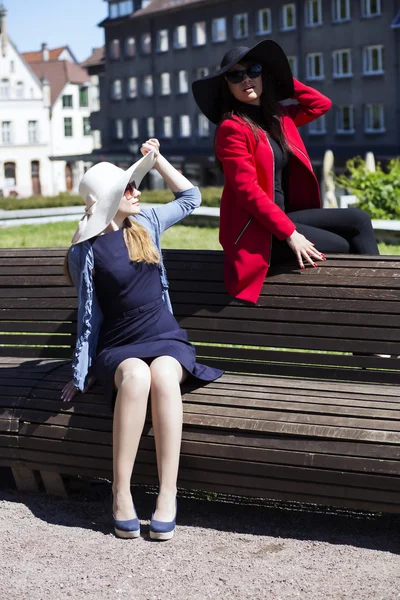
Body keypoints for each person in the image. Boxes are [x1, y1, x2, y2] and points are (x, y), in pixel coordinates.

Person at [61, 139, 223, 540]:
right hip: (119, 347)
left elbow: (190, 198)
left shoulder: (147, 222)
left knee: (165, 376)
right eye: (128, 188)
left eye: (134, 185)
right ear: (108, 200)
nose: (136, 191)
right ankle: (121, 493)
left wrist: (158, 160)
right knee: (136, 378)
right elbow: (87, 317)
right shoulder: (84, 251)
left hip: (166, 337)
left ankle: (168, 495)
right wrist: (80, 372)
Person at [192, 40, 379, 304]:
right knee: (344, 245)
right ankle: (377, 309)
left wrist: (281, 78)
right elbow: (247, 191)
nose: (246, 79)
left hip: (285, 215)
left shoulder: (278, 116)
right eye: (236, 75)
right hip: (260, 231)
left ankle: (384, 304)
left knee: (358, 219)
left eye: (253, 70)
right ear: (227, 85)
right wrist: (291, 234)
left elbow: (320, 104)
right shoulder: (232, 128)